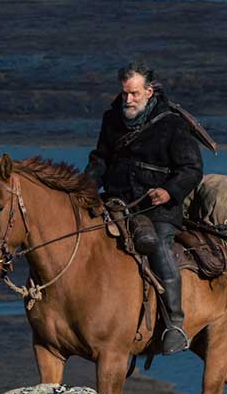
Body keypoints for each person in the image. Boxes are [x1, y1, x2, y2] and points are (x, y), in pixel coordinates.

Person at [83, 61, 204, 353]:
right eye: (125, 93)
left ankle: (175, 323)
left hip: (157, 207)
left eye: (135, 94)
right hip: (116, 200)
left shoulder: (172, 123)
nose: (128, 100)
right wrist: (83, 186)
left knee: (159, 245)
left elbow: (191, 168)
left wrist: (169, 191)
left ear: (149, 91)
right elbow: (101, 159)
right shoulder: (111, 118)